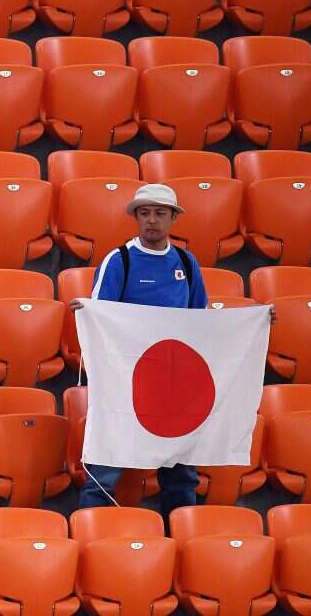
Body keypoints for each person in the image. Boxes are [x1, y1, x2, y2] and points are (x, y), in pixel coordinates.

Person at [69, 183, 207, 516]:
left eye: (160, 213)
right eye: (144, 213)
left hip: (173, 385)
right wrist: (88, 313)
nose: (152, 221)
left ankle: (181, 540)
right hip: (124, 384)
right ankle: (92, 533)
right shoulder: (120, 260)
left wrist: (257, 321)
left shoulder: (187, 264)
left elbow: (202, 324)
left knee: (180, 474)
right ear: (136, 218)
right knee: (104, 473)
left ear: (173, 218)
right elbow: (102, 319)